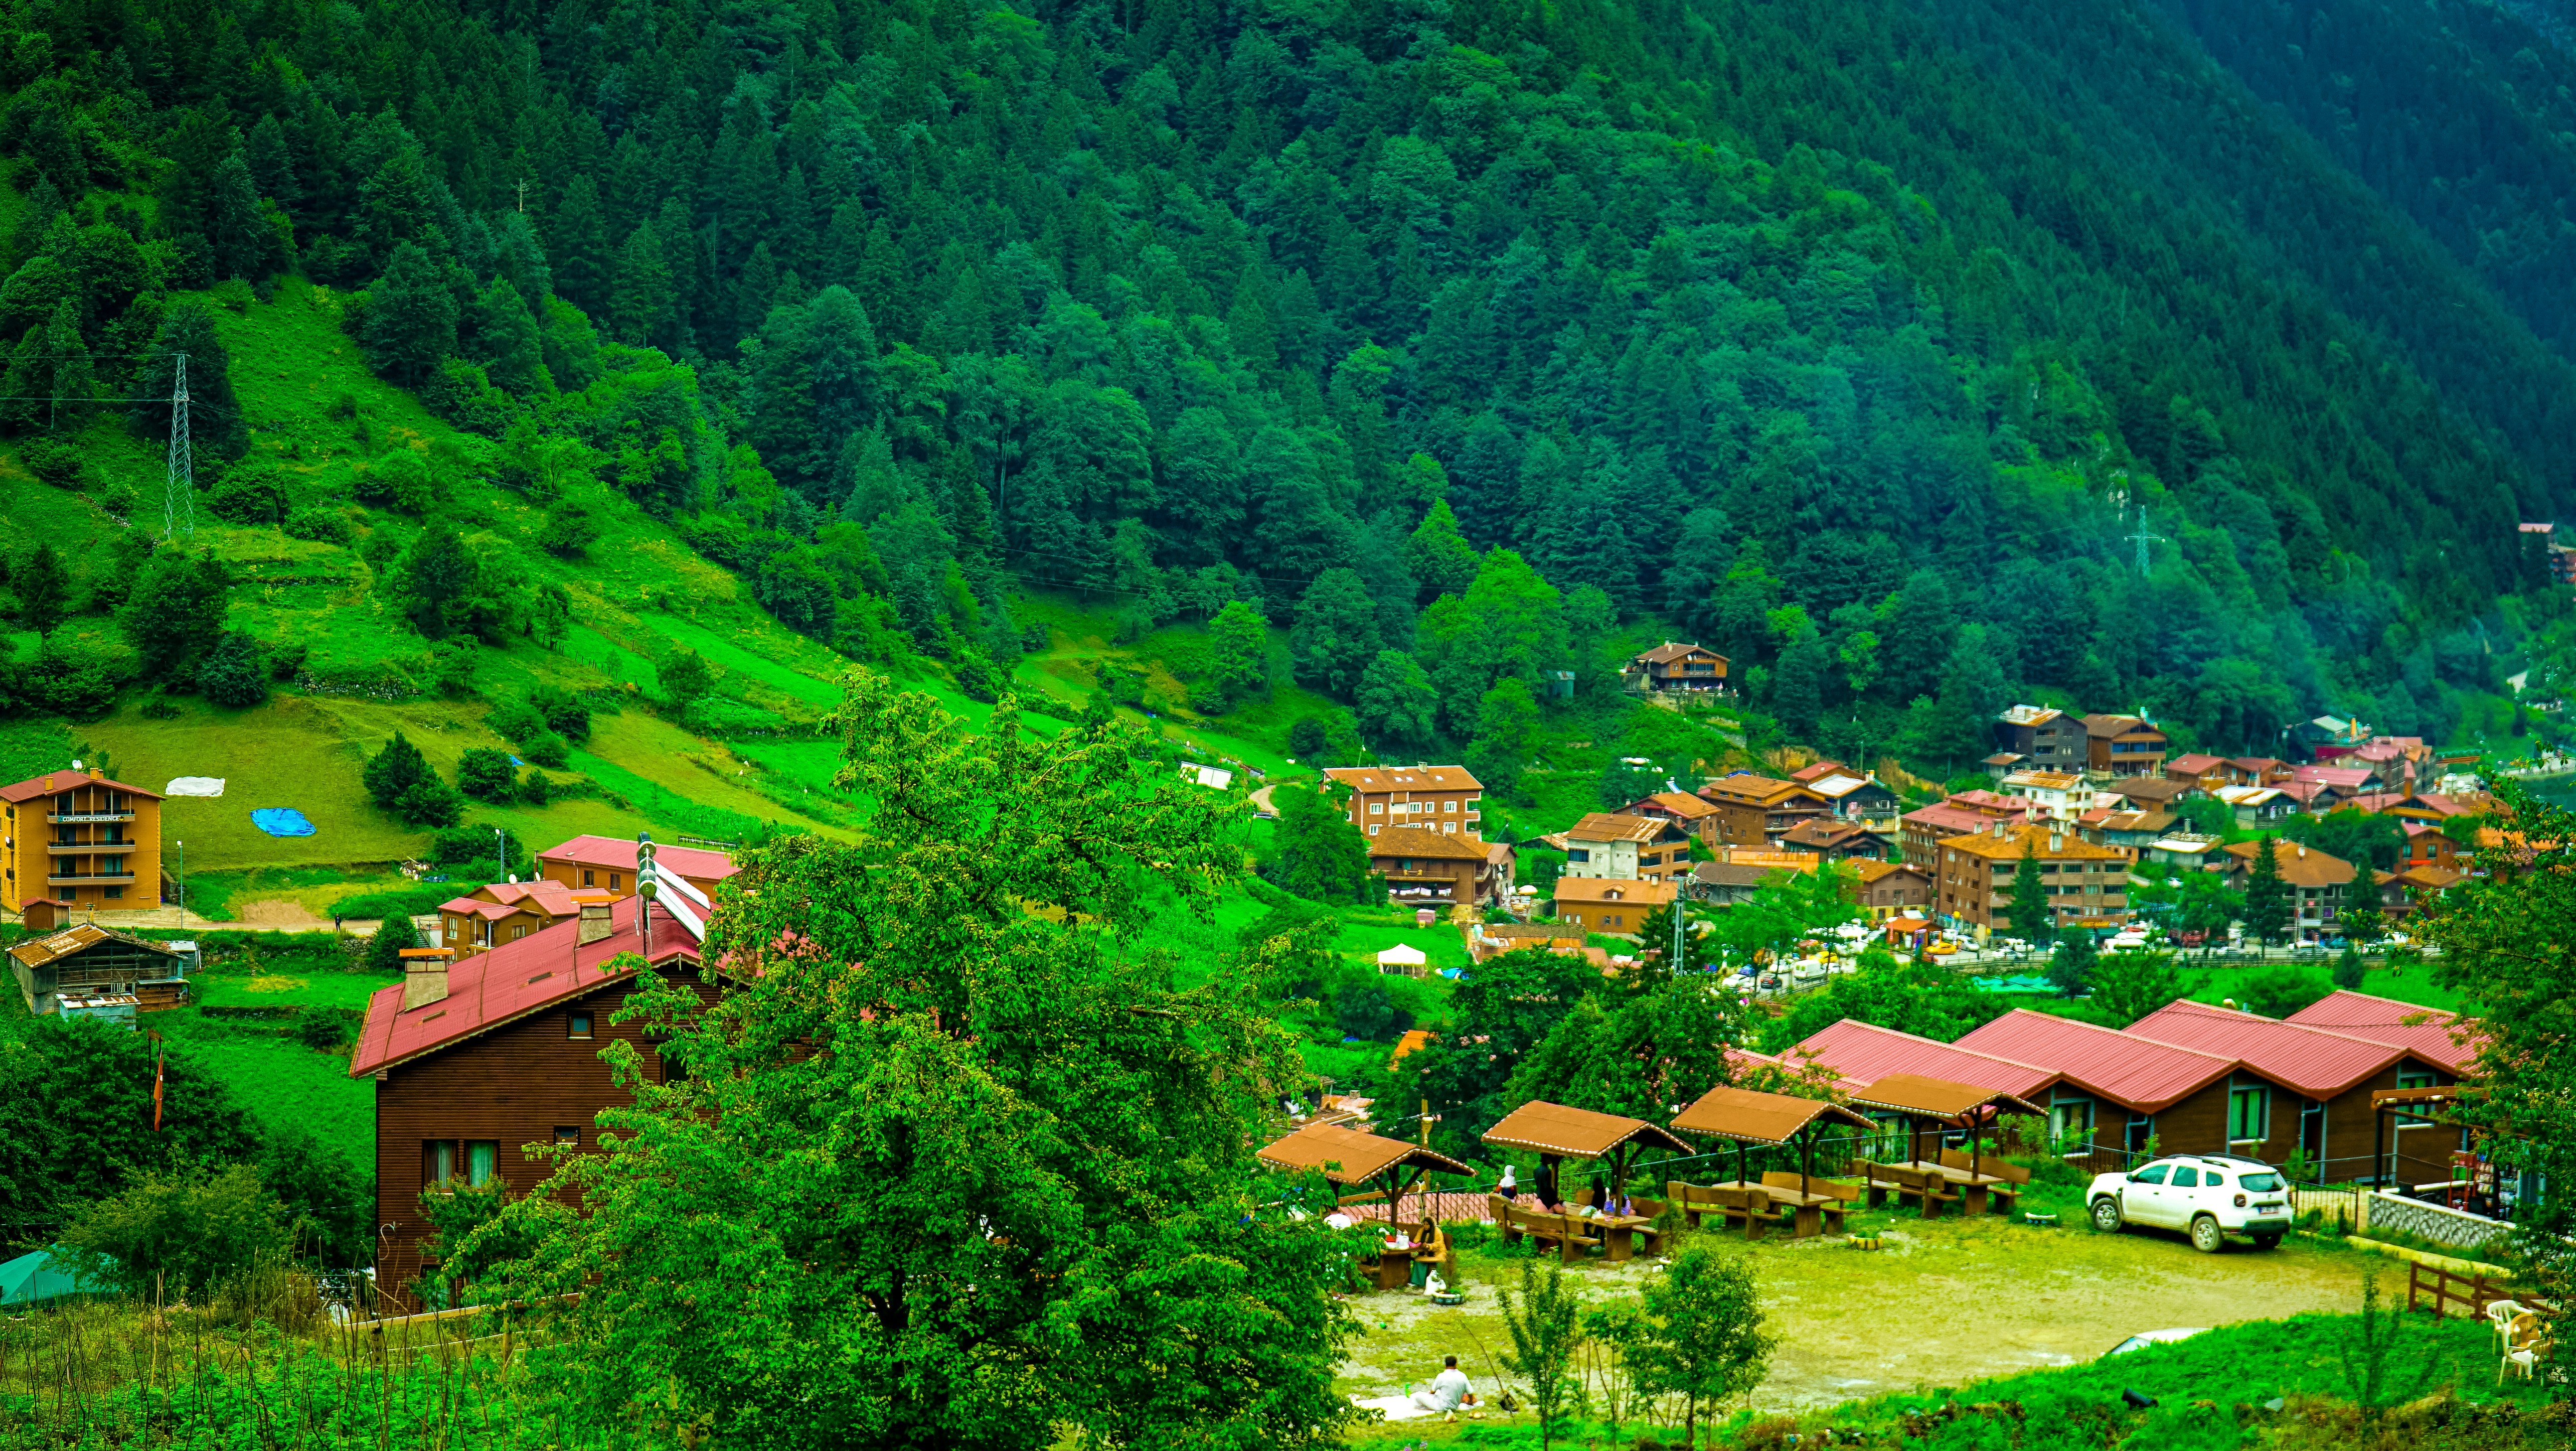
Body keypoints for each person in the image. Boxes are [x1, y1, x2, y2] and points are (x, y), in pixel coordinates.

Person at [1407, 1355, 1475, 1415]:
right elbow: (1470, 1393)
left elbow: (1432, 1392)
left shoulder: (1441, 1376)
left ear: (1445, 1365)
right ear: (1456, 1364)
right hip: (1455, 1406)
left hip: (1442, 1406)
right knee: (1441, 1392)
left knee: (1418, 1395)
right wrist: (1470, 1403)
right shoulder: (1463, 1376)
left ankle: (1422, 1407)